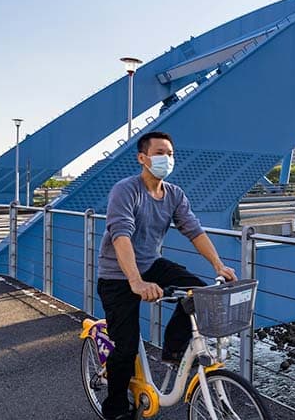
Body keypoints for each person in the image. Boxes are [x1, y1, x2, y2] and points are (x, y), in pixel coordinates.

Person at [97, 131, 237, 420]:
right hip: (117, 275)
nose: (167, 158)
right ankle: (114, 408)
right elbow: (121, 235)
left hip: (152, 264)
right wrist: (135, 281)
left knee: (199, 293)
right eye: (161, 153)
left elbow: (193, 230)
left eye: (170, 153)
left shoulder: (173, 194)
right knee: (124, 347)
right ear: (142, 158)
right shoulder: (126, 191)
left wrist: (218, 266)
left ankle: (172, 352)